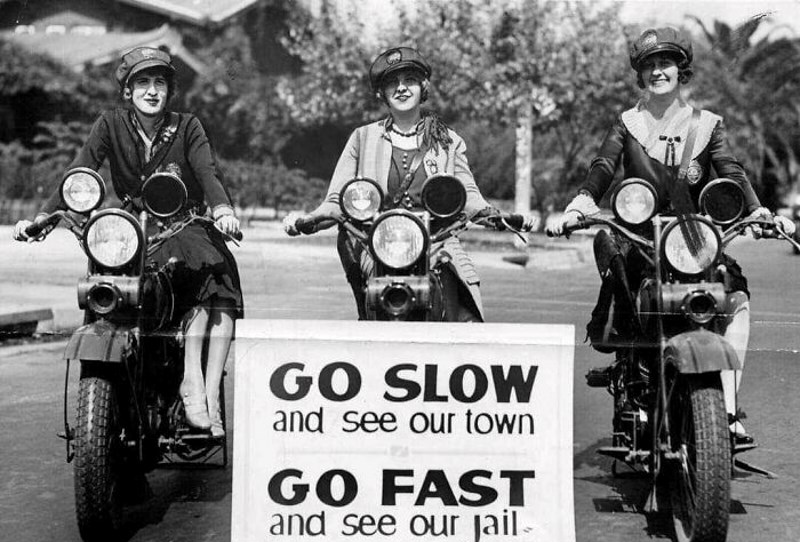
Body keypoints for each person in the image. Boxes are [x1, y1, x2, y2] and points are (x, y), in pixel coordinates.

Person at [546, 27, 795, 444]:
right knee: (625, 280)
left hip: (691, 242)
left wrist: (758, 211)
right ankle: (633, 364)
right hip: (638, 237)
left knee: (734, 298)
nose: (658, 71)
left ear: (682, 70)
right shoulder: (627, 122)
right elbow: (604, 166)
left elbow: (730, 171)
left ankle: (728, 411)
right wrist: (582, 202)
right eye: (649, 65)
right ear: (640, 75)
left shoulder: (707, 125)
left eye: (666, 63)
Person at [13, 46, 243, 437]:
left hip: (184, 222)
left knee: (215, 275)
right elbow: (81, 169)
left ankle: (200, 388)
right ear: (128, 91)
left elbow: (207, 173)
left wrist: (222, 209)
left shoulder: (188, 126)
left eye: (159, 82)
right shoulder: (110, 124)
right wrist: (41, 217)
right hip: (132, 229)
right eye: (142, 82)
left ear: (169, 90)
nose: (152, 91)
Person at [283, 46, 530, 321]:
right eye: (392, 83)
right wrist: (307, 219)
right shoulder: (362, 138)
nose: (402, 88)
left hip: (436, 241)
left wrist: (499, 216)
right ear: (381, 93)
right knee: (373, 300)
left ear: (423, 86)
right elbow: (337, 200)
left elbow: (468, 196)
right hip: (376, 243)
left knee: (464, 310)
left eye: (409, 80)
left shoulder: (447, 140)